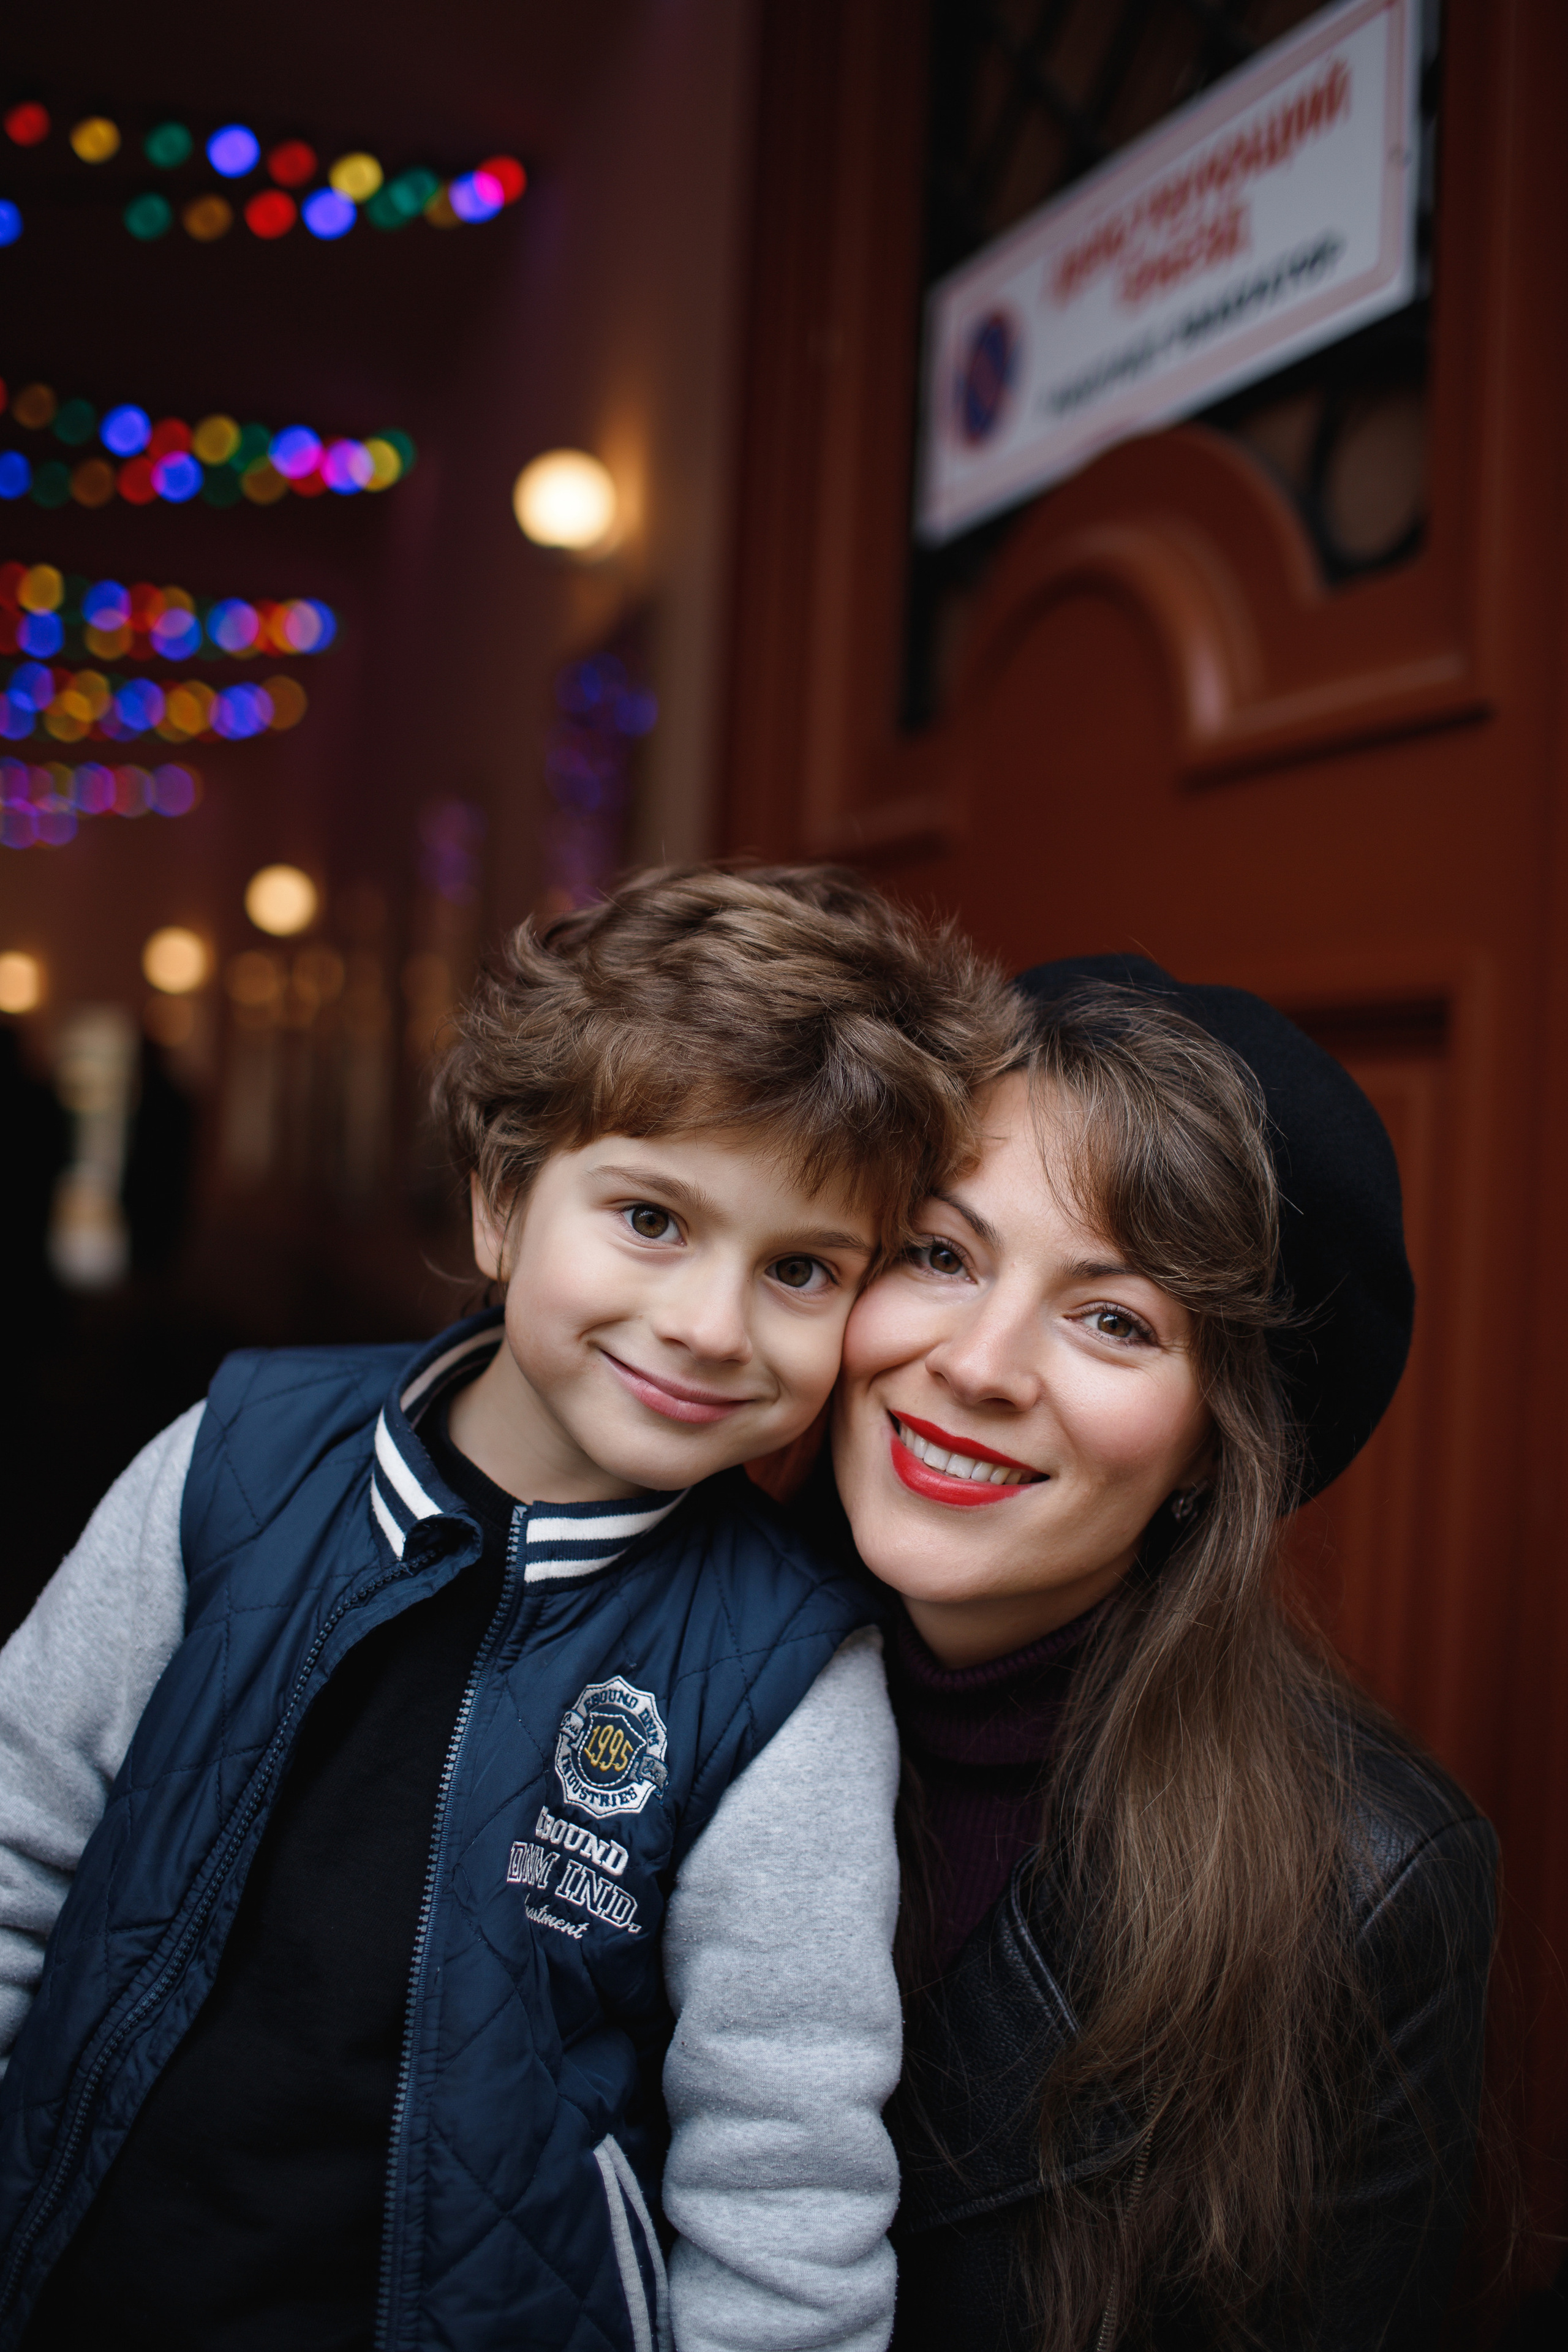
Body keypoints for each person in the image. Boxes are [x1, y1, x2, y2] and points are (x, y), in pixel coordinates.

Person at [0, 866, 1017, 2352]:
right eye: (651, 1219)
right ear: (500, 1203)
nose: (707, 1324)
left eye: (801, 1268)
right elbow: (15, 1843)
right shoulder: (232, 1464)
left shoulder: (781, 1677)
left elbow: (781, 2174)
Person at [818, 954, 1499, 2351]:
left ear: (1214, 1444)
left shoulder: (1366, 1890)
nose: (981, 1363)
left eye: (1112, 1319)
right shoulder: (618, 1665)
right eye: (938, 1253)